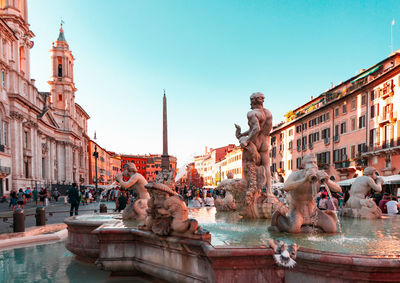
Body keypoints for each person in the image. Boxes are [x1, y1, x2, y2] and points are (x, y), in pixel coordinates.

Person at [270, 154, 342, 233]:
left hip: (313, 212)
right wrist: (304, 179)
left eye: (315, 162)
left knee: (331, 228)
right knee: (293, 230)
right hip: (297, 211)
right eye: (310, 162)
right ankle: (279, 219)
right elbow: (285, 187)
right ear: (303, 165)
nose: (314, 165)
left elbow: (338, 189)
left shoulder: (319, 175)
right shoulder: (296, 175)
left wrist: (327, 181)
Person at [235, 92, 273, 193]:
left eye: (250, 100)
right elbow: (256, 129)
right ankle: (269, 192)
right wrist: (242, 133)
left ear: (253, 100)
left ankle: (251, 189)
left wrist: (246, 140)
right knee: (266, 167)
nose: (250, 103)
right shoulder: (268, 113)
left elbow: (256, 128)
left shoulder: (252, 113)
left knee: (248, 164)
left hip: (255, 142)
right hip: (265, 142)